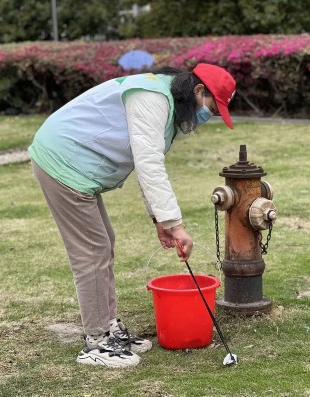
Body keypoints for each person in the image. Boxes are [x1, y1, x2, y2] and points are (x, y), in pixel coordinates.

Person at [28, 63, 236, 368]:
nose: (207, 118)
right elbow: (148, 163)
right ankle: (97, 342)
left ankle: (107, 325)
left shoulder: (164, 99)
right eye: (211, 109)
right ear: (198, 91)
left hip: (74, 164)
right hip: (62, 161)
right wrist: (175, 226)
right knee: (93, 250)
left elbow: (145, 162)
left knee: (103, 243)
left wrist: (159, 221)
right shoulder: (153, 97)